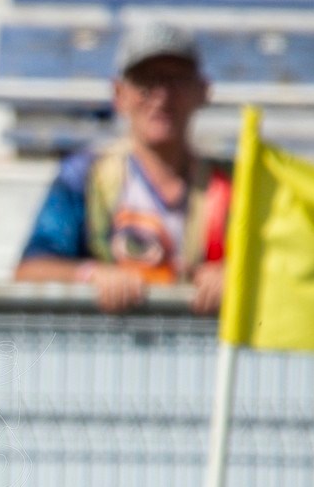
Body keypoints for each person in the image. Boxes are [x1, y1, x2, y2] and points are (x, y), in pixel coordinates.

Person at [15, 21, 229, 315]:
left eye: (176, 81)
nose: (161, 97)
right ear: (119, 94)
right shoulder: (85, 178)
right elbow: (30, 271)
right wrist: (91, 274)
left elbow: (287, 264)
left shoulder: (233, 184)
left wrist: (237, 277)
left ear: (203, 91)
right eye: (146, 82)